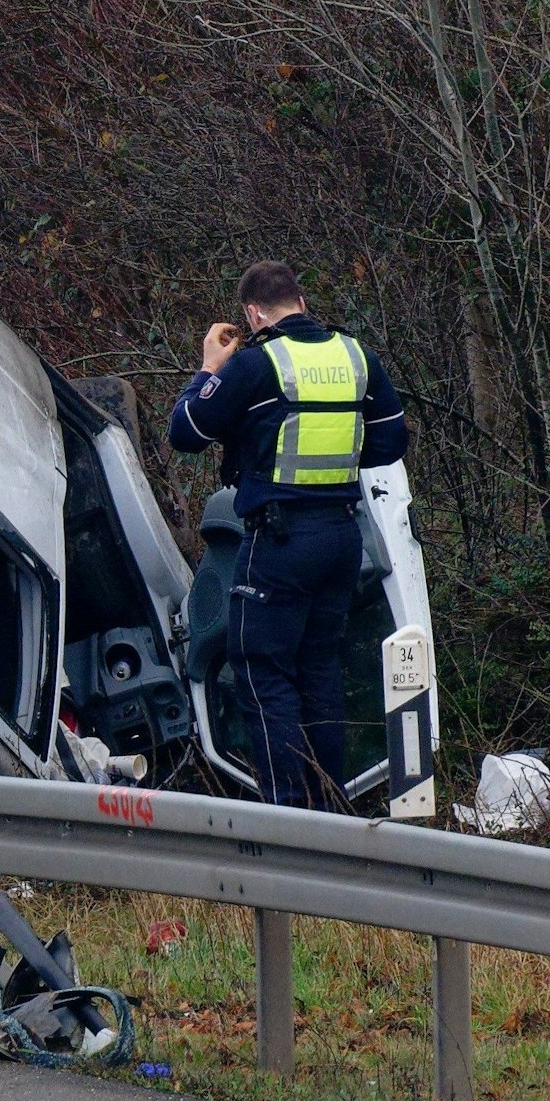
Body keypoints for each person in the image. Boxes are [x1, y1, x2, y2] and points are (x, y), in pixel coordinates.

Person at [169, 260, 409, 809]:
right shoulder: (356, 356)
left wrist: (209, 369)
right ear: (300, 300)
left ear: (253, 313)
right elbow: (391, 443)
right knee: (319, 669)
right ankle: (329, 811)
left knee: (262, 668)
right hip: (341, 541)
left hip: (279, 542)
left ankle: (288, 822)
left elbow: (185, 431)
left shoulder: (255, 366)